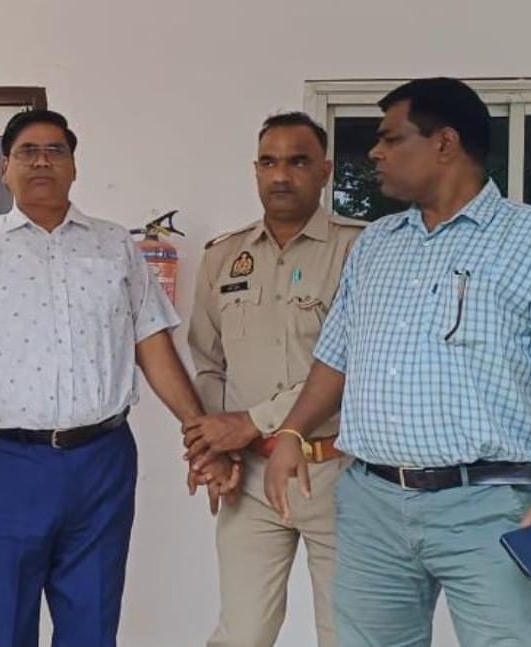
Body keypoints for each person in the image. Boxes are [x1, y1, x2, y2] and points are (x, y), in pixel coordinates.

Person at [265, 77, 531, 647]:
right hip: (372, 503)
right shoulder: (376, 245)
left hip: (489, 505)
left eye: (390, 138)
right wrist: (291, 432)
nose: (374, 152)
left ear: (445, 143)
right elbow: (336, 358)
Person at [0, 109, 232, 647]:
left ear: (74, 167)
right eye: (28, 151)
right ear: (5, 168)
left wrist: (200, 431)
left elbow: (152, 342)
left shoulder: (115, 246)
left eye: (56, 151)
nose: (42, 161)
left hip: (101, 461)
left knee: (91, 623)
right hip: (6, 462)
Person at [184, 111, 365, 647]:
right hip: (251, 476)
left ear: (325, 171)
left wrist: (254, 420)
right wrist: (215, 447)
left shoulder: (359, 250)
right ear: (255, 170)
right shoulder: (224, 256)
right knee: (241, 634)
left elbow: (358, 364)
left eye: (298, 161)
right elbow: (208, 363)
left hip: (338, 471)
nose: (281, 175)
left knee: (349, 634)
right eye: (269, 162)